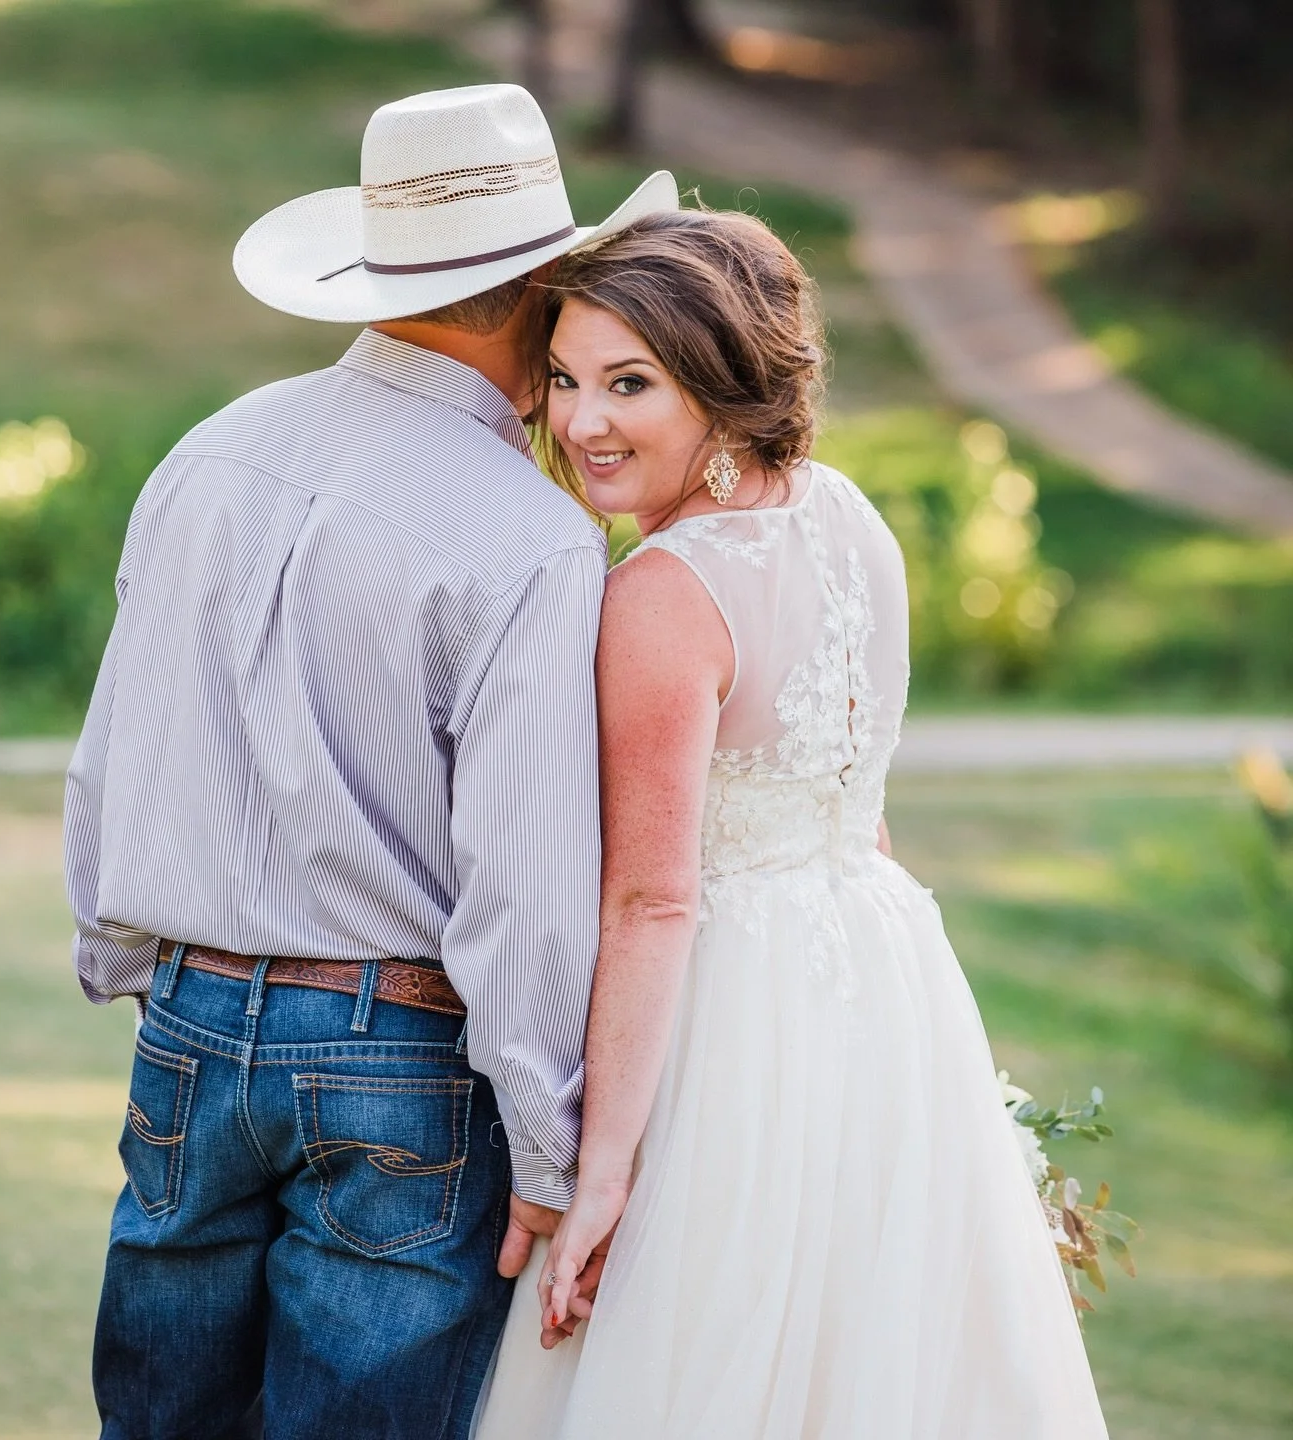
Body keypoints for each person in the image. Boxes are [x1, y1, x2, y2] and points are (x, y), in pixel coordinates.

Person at [62, 82, 677, 1440]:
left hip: (188, 1023)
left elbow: (119, 743)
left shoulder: (209, 453)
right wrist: (547, 1143)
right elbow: (525, 884)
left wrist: (117, 953)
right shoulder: (532, 538)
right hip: (394, 1049)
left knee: (158, 1423)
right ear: (539, 292)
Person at [474, 209, 1110, 1438]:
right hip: (884, 987)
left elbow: (653, 900)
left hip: (732, 1016)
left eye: (627, 384)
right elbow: (853, 797)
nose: (580, 420)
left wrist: (596, 1172)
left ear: (720, 388)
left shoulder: (660, 597)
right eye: (561, 378)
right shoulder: (852, 519)